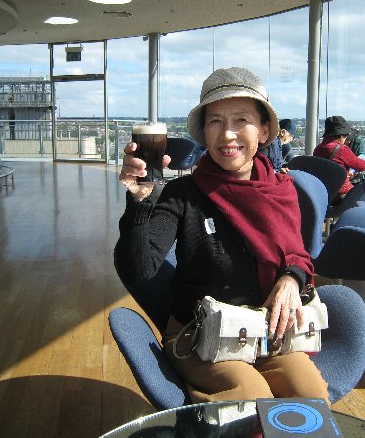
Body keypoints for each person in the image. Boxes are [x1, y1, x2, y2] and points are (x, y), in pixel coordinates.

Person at [114, 67, 329, 404]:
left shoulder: (282, 190)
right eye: (215, 121)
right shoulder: (183, 194)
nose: (227, 134)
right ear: (204, 131)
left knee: (311, 396)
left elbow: (297, 255)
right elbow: (139, 269)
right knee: (250, 397)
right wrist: (139, 203)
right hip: (200, 334)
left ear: (264, 130)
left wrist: (291, 278)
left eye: (241, 120)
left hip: (265, 331)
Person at [313, 115, 365, 203]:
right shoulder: (342, 149)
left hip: (324, 192)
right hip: (342, 194)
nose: (346, 139)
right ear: (341, 136)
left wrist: (345, 172)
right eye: (346, 135)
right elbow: (362, 166)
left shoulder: (318, 149)